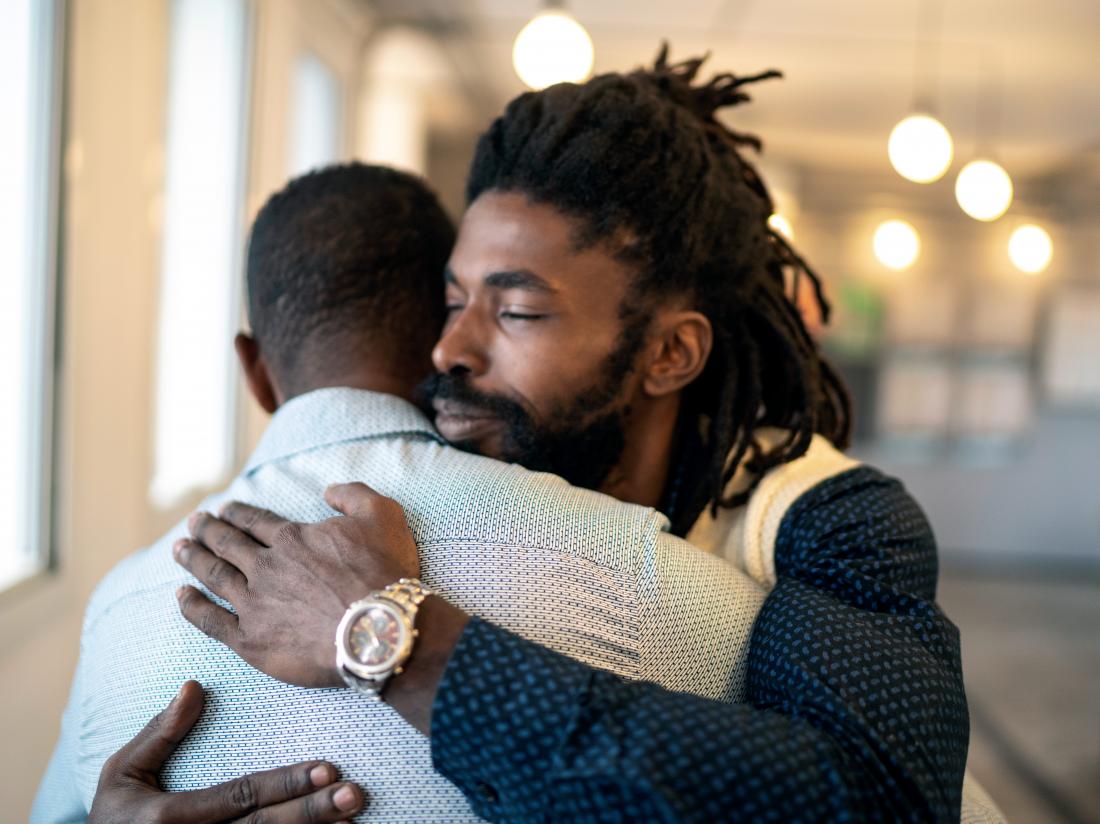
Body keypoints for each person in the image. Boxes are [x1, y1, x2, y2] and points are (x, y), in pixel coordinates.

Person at [33, 162, 767, 823]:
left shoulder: (122, 604)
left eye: (515, 308)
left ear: (254, 371)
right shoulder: (666, 584)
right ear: (441, 339)